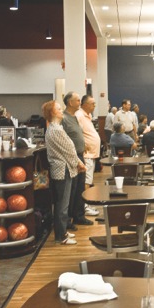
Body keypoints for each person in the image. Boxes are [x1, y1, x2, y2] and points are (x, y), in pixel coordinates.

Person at [42, 100, 86, 245]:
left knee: (62, 203)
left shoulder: (54, 128)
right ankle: (61, 236)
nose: (62, 111)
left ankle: (62, 232)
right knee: (62, 205)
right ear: (53, 112)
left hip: (62, 169)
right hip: (63, 170)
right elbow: (69, 150)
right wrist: (79, 163)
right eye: (59, 109)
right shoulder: (56, 130)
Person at [61, 92, 93, 227]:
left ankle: (79, 216)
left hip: (80, 156)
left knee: (80, 188)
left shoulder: (74, 117)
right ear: (70, 102)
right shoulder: (64, 118)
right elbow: (64, 140)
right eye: (78, 100)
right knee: (72, 190)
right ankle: (68, 220)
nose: (80, 102)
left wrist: (83, 145)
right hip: (71, 158)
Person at [75, 95, 101, 217]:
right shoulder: (79, 115)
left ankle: (86, 204)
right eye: (92, 103)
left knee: (89, 180)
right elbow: (77, 133)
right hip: (87, 154)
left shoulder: (87, 115)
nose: (94, 106)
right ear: (84, 104)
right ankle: (84, 206)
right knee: (86, 181)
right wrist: (83, 144)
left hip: (92, 154)